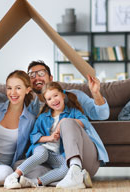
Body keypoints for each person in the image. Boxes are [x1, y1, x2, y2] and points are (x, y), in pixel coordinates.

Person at [26, 60, 109, 189]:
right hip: (55, 162)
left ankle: (75, 170)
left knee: (66, 123)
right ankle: (70, 179)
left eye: (41, 73)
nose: (36, 77)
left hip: (84, 158)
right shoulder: (32, 107)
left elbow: (102, 115)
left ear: (51, 78)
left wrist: (96, 93)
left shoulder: (74, 97)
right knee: (24, 169)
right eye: (32, 75)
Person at [4, 81, 95, 189]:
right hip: (42, 148)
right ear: (46, 102)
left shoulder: (73, 112)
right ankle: (13, 176)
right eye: (49, 99)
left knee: (67, 167)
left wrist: (63, 122)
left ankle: (36, 182)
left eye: (55, 95)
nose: (54, 100)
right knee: (42, 154)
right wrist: (50, 138)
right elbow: (33, 136)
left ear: (62, 95)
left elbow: (84, 123)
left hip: (57, 154)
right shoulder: (43, 117)